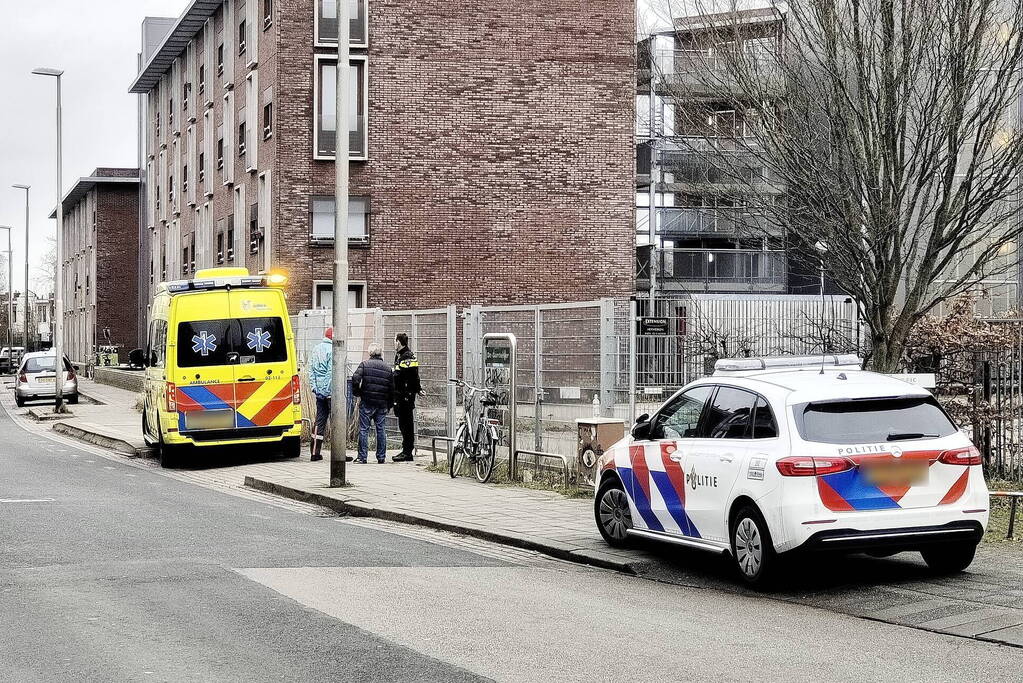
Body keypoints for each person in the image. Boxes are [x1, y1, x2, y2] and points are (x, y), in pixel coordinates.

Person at [306, 326, 352, 463]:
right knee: (336, 421)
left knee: (319, 421)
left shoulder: (316, 349)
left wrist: (315, 388)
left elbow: (310, 370)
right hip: (331, 392)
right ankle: (339, 454)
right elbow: (331, 373)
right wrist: (327, 390)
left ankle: (315, 453)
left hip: (319, 392)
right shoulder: (333, 350)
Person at [351, 343, 394, 464]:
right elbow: (392, 388)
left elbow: (355, 379)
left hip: (367, 401)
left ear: (370, 353)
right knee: (381, 429)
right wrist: (389, 404)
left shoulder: (364, 365)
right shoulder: (387, 368)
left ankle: (362, 457)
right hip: (382, 404)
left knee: (364, 429)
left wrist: (358, 393)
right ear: (380, 353)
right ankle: (381, 457)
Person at [392, 332, 421, 462]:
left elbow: (412, 376)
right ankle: (406, 450)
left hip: (405, 396)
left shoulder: (407, 356)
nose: (394, 343)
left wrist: (417, 389)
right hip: (401, 395)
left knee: (406, 424)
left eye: (394, 340)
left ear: (398, 342)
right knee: (403, 424)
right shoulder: (401, 355)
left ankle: (407, 452)